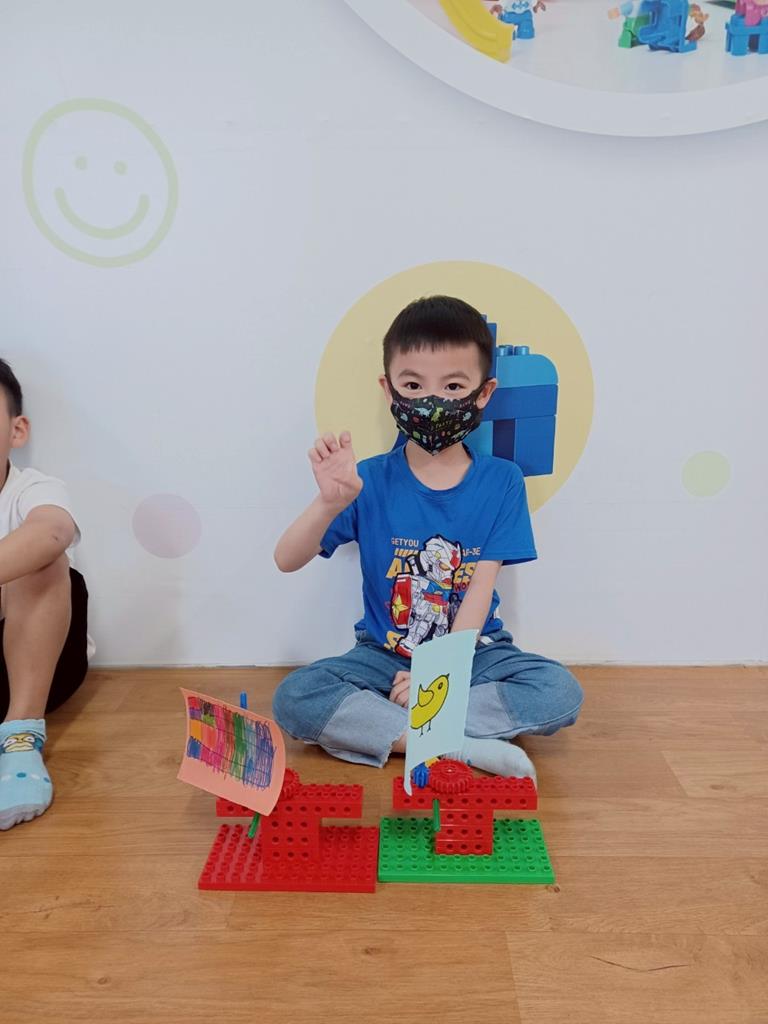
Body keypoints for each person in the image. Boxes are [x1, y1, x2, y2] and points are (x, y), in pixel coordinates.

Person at [272, 296, 583, 780]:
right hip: (382, 655)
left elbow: (480, 588)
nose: (432, 402)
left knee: (558, 691)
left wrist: (440, 677)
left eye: (453, 386)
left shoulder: (502, 481)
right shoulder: (368, 479)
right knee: (296, 696)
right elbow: (286, 559)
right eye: (413, 385)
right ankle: (452, 741)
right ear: (388, 389)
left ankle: (401, 729)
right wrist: (329, 503)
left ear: (484, 392)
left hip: (474, 653)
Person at [0, 359, 91, 829]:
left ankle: (20, 738)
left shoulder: (31, 490)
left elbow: (53, 531)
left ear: (16, 430)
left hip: (37, 671)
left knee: (46, 560)